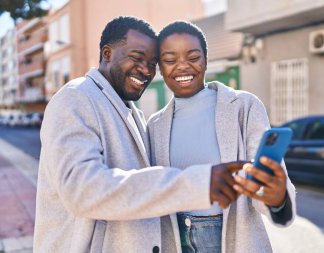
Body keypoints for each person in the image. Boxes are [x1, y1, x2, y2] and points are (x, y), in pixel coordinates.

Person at [34, 16, 247, 253]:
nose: (146, 70)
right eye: (136, 58)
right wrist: (197, 184)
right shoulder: (75, 98)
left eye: (152, 62)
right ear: (107, 53)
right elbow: (82, 190)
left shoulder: (133, 112)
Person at [147, 21, 297, 253]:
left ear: (206, 60)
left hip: (233, 239)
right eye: (170, 60)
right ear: (160, 67)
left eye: (193, 57)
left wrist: (276, 198)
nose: (182, 66)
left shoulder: (244, 106)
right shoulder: (154, 125)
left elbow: (264, 180)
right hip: (175, 241)